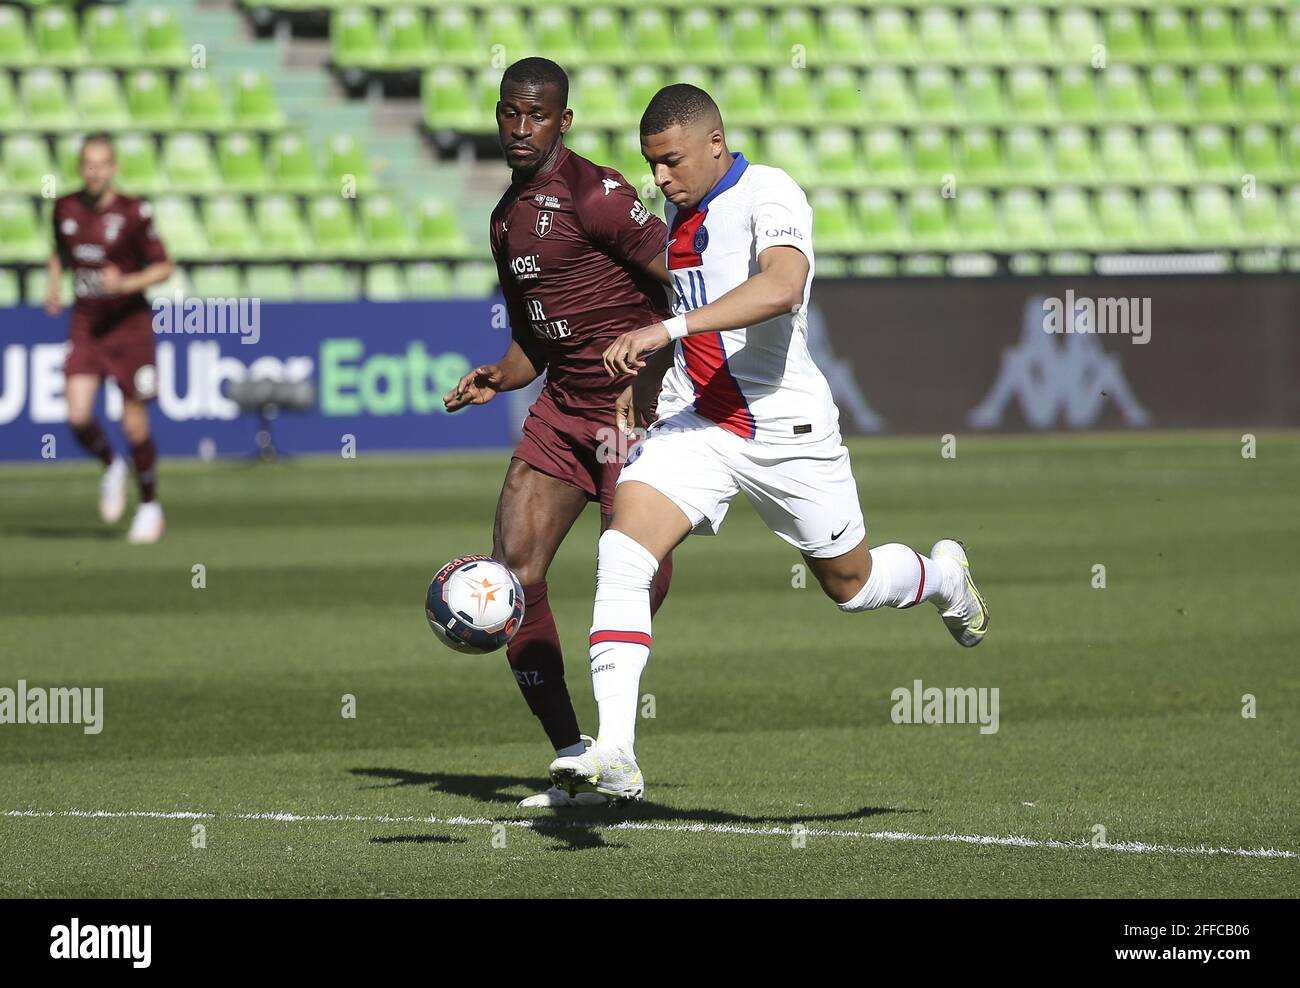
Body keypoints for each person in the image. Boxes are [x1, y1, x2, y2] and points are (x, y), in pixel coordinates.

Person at [550, 85, 990, 803]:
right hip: (701, 423)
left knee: (849, 585)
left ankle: (942, 578)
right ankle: (619, 751)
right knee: (623, 551)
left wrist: (665, 334)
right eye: (651, 165)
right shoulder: (679, 209)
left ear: (715, 143)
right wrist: (652, 379)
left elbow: (783, 287)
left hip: (787, 429)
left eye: (670, 162)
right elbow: (689, 310)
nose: (659, 178)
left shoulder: (769, 192)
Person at [442, 58, 676, 808]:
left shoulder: (597, 192)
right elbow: (534, 339)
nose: (520, 128)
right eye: (509, 113)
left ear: (562, 121)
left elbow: (684, 278)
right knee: (513, 574)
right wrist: (500, 375)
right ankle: (576, 759)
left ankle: (616, 747)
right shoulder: (504, 218)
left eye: (536, 115)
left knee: (627, 565)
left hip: (630, 410)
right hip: (562, 408)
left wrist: (661, 373)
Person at [47, 133, 173, 544]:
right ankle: (112, 465)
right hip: (86, 322)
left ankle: (150, 506)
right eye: (89, 164)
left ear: (114, 167)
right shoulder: (65, 207)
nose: (95, 171)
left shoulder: (134, 212)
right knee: (77, 414)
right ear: (80, 168)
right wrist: (54, 286)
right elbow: (59, 252)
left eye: (103, 164)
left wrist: (127, 282)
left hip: (129, 325)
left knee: (133, 423)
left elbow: (164, 267)